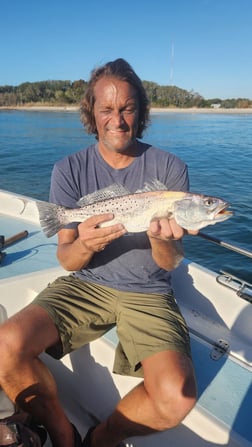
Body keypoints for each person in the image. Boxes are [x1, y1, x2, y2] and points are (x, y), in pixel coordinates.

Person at [0, 58, 197, 447]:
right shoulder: (68, 169)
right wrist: (84, 244)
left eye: (127, 108)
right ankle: (62, 432)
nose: (118, 120)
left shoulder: (171, 168)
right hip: (87, 284)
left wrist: (162, 238)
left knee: (177, 396)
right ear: (92, 112)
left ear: (140, 111)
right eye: (106, 109)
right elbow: (66, 260)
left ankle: (103, 437)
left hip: (149, 292)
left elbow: (170, 263)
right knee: (5, 344)